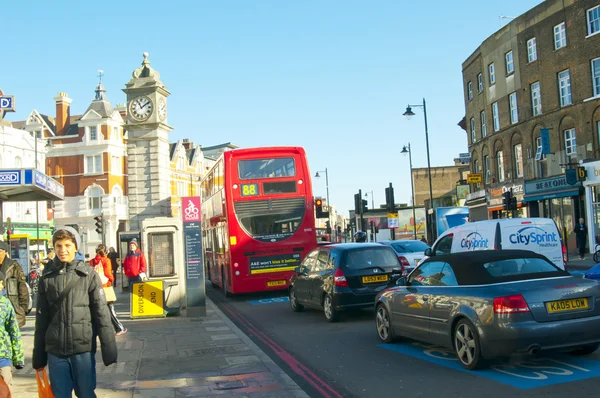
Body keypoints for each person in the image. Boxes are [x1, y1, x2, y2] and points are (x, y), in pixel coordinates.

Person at [33, 229, 117, 398]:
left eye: (67, 245)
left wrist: (109, 348)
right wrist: (39, 355)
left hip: (82, 350)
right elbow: (41, 319)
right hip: (56, 351)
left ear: (75, 247)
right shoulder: (47, 277)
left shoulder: (88, 275)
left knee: (85, 393)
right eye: (58, 246)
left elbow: (101, 314)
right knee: (60, 395)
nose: (63, 250)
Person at [91, 245, 127, 336]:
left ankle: (96, 331)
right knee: (110, 309)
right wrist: (112, 280)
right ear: (105, 252)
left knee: (97, 309)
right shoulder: (106, 260)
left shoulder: (92, 261)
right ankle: (119, 328)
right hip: (105, 286)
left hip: (96, 286)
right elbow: (107, 273)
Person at [0, 270, 24, 396]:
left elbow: (14, 331)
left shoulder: (6, 304)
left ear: (2, 285)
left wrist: (18, 357)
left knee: (5, 390)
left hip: (3, 357)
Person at [0, 241, 29, 328]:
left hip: (13, 310)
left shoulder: (14, 266)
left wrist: (23, 309)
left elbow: (22, 288)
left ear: (5, 252)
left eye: (0, 251)